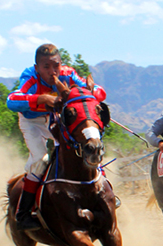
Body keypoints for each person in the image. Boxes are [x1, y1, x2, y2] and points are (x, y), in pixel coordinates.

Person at [6, 43, 105, 230]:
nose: (53, 72)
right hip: (32, 122)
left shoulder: (69, 73)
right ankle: (23, 213)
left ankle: (102, 191)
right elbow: (11, 100)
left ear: (61, 64)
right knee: (41, 159)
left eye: (56, 65)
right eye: (46, 67)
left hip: (55, 120)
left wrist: (91, 94)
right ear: (37, 68)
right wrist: (40, 99)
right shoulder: (30, 77)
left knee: (86, 145)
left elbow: (99, 92)